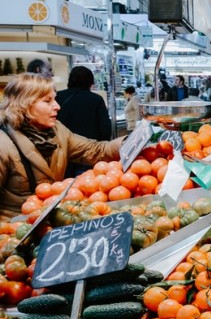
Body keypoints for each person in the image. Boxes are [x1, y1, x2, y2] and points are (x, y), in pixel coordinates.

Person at [0, 73, 122, 221]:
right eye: (47, 101)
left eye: (55, 99)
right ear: (24, 104)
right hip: (15, 230)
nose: (57, 106)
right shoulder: (4, 144)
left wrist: (130, 142)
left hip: (50, 222)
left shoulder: (57, 131)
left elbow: (96, 150)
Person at [55, 66, 113, 177]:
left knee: (63, 186)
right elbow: (105, 128)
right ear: (90, 81)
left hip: (63, 151)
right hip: (89, 151)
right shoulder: (96, 99)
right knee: (85, 186)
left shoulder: (58, 97)